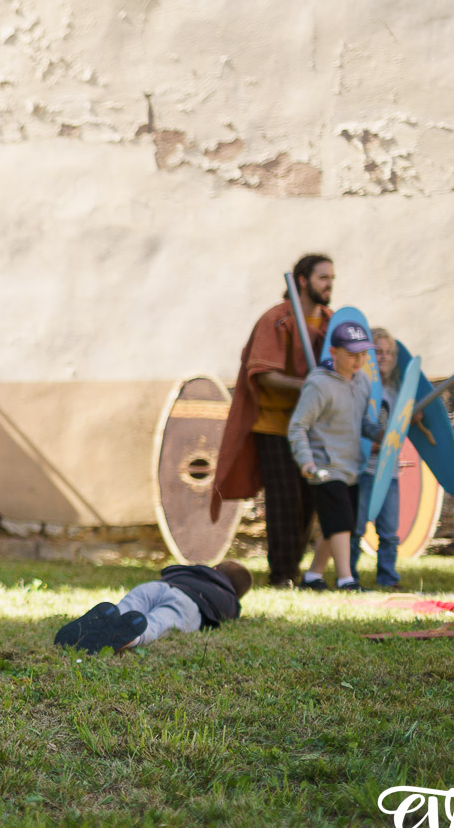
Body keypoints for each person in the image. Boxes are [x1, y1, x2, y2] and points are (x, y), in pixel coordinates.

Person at [212, 255, 335, 587]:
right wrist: (307, 385)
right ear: (302, 281)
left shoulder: (331, 322)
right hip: (275, 425)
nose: (329, 284)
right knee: (285, 500)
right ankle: (282, 574)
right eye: (323, 277)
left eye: (332, 278)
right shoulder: (276, 319)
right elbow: (264, 373)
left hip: (313, 427)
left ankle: (293, 567)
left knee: (309, 500)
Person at [287, 321, 385, 593]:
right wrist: (306, 461)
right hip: (324, 467)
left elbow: (361, 422)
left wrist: (380, 433)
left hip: (350, 465)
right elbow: (298, 426)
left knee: (337, 525)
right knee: (341, 522)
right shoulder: (319, 385)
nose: (359, 360)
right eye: (352, 354)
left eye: (363, 354)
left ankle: (313, 576)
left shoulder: (362, 381)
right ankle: (346, 580)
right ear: (334, 352)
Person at [55, 561, 253, 653]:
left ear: (214, 568)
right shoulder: (228, 597)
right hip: (188, 603)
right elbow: (229, 614)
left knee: (128, 606)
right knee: (157, 622)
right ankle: (132, 637)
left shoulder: (196, 570)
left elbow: (169, 570)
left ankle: (108, 618)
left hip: (159, 586)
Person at [352, 327, 403, 588]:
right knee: (356, 528)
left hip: (390, 471)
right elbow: (354, 422)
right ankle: (349, 576)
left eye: (388, 353)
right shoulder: (361, 386)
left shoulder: (396, 391)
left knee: (389, 531)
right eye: (378, 352)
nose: (384, 357)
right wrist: (368, 445)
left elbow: (399, 423)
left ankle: (387, 577)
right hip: (364, 470)